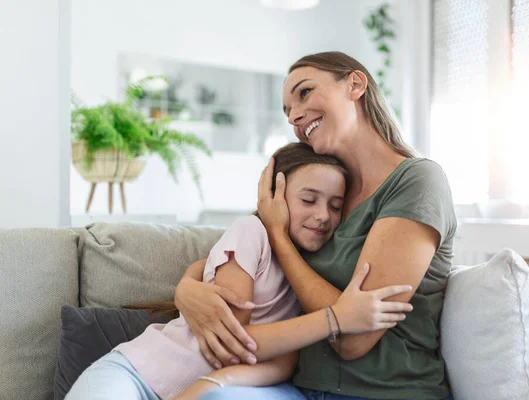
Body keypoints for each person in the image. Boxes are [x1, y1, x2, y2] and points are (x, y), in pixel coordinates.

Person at [175, 51, 457, 400]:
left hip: (387, 392)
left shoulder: (417, 181)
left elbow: (353, 337)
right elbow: (248, 256)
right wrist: (186, 287)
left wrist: (280, 236)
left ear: (355, 85)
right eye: (287, 110)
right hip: (299, 388)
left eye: (304, 93)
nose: (293, 115)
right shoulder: (325, 193)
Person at [65, 142, 413, 400]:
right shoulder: (252, 233)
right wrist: (336, 317)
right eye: (309, 200)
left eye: (335, 206)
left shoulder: (313, 268)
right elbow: (233, 342)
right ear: (273, 196)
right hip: (137, 373)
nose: (323, 215)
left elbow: (285, 361)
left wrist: (214, 383)